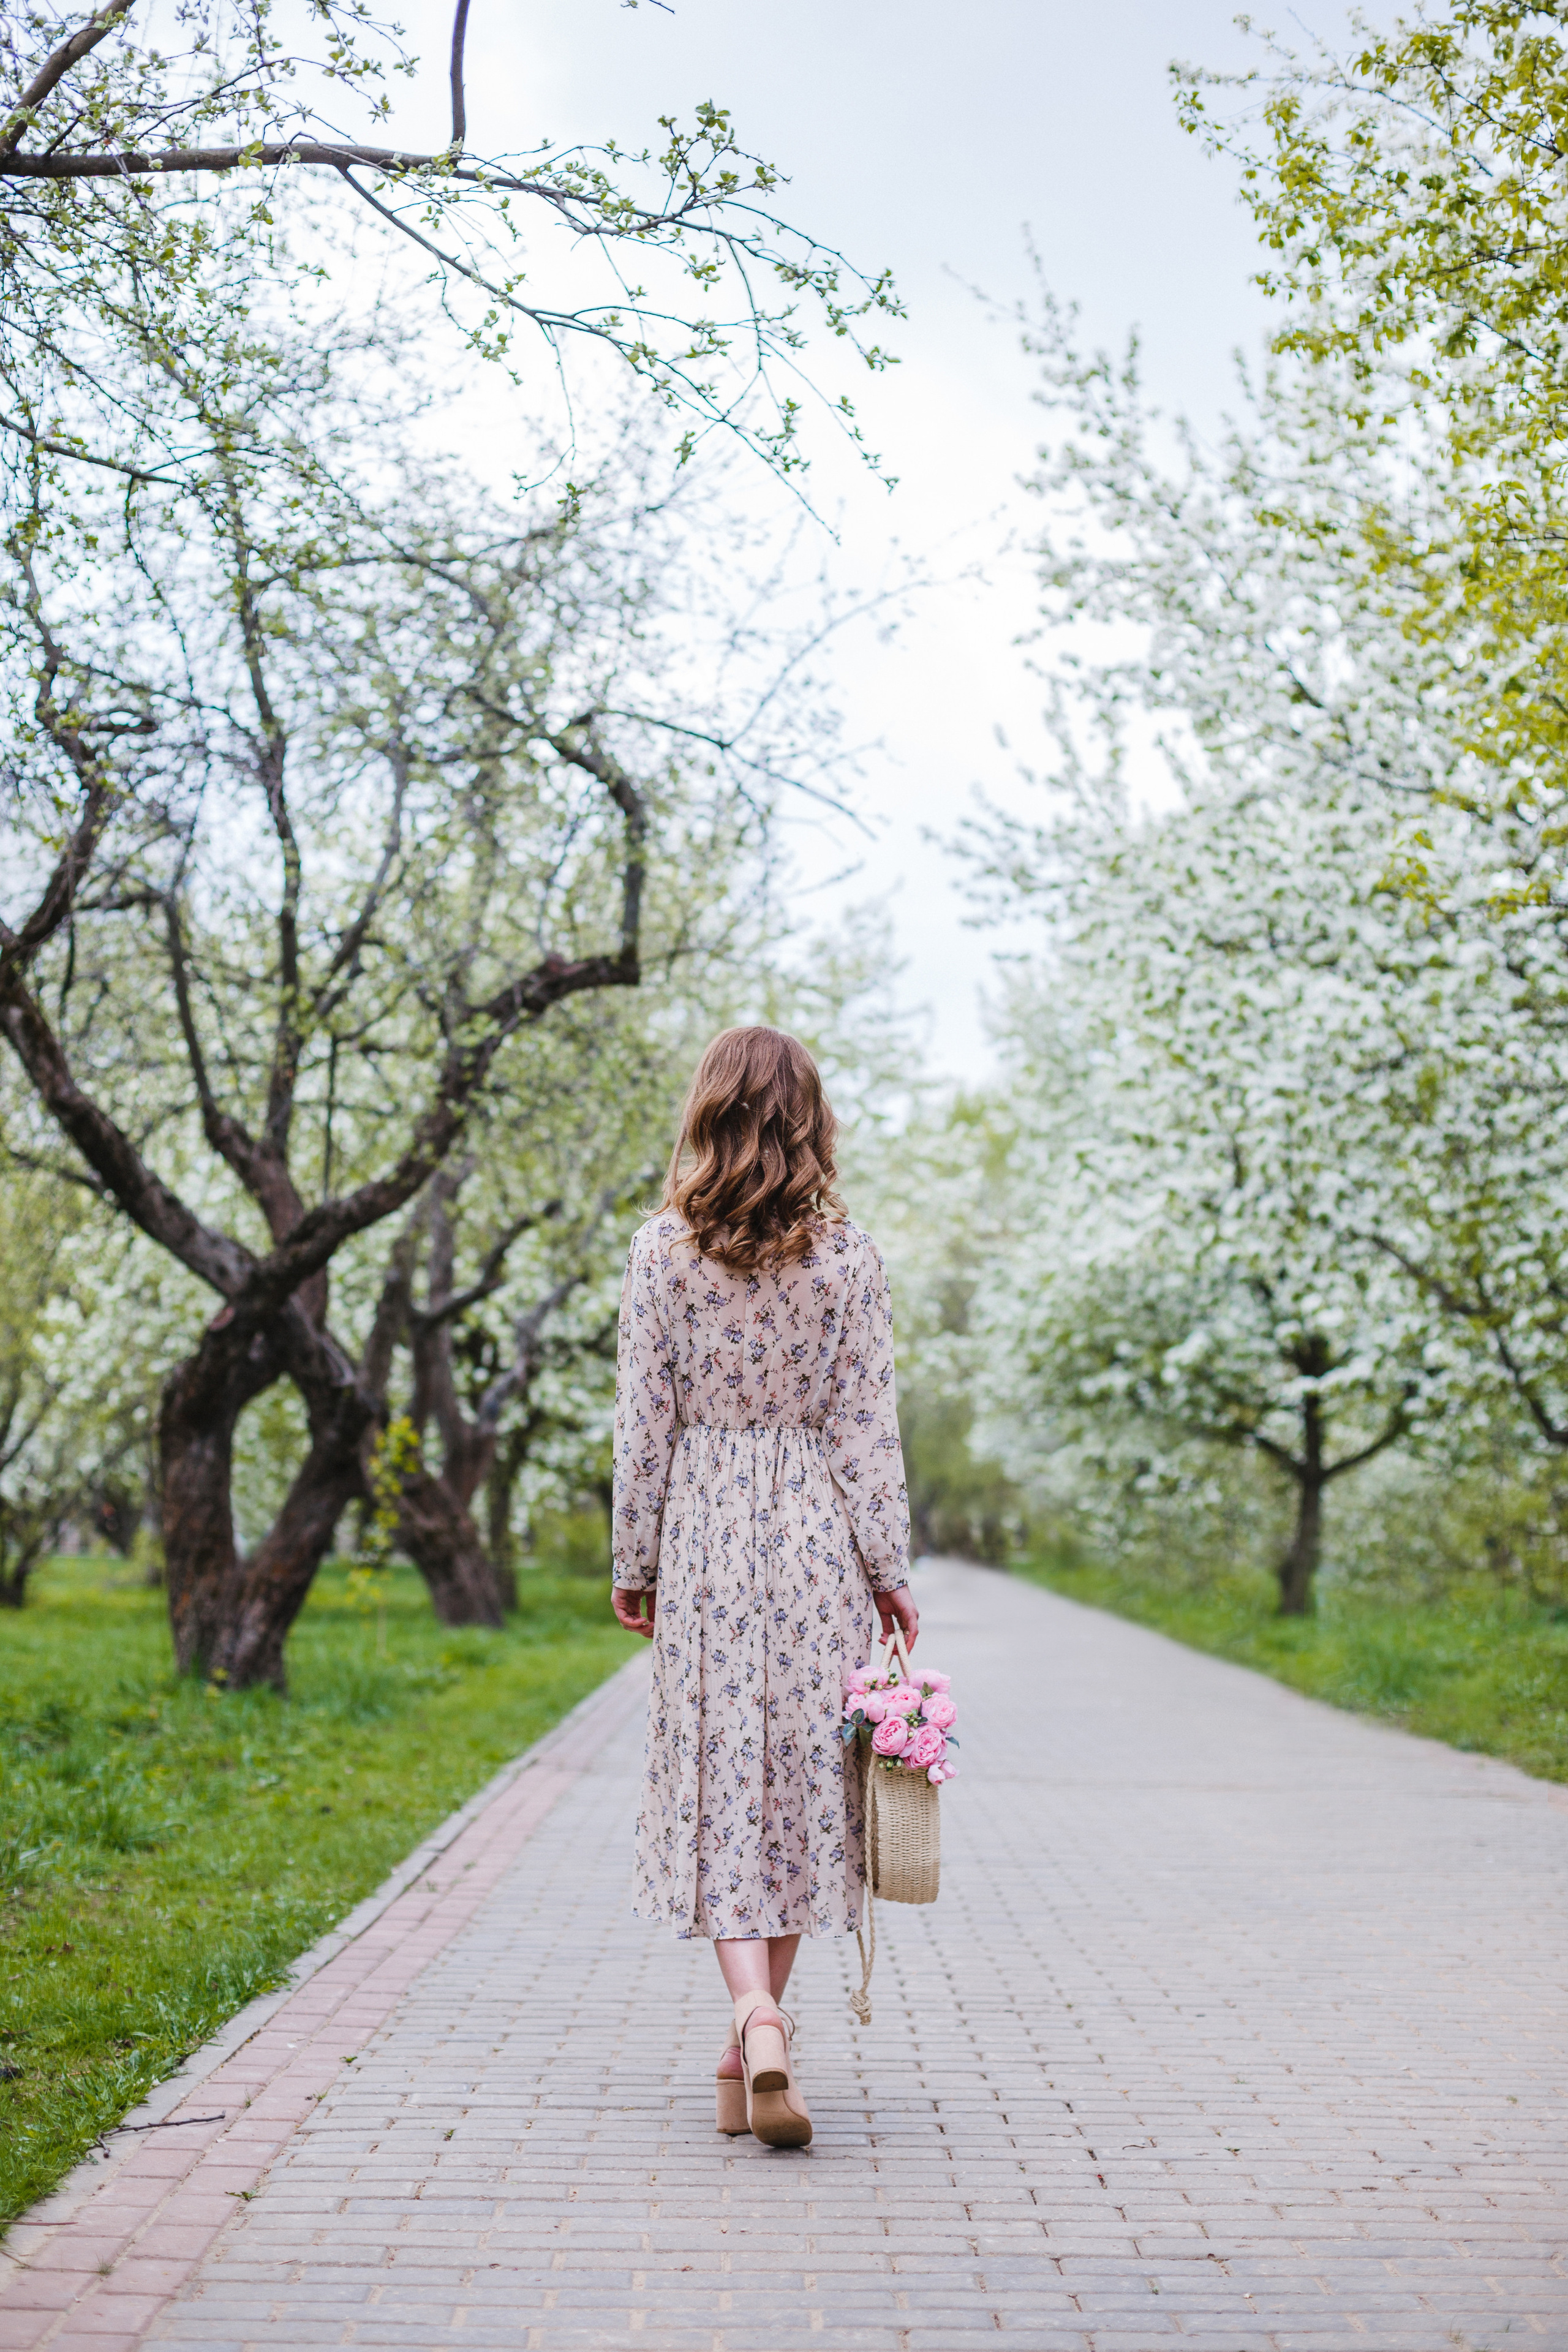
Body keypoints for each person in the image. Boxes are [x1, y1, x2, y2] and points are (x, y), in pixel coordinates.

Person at [611, 1025, 918, 2149]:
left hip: (703, 1530)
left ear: (710, 1110)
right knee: (796, 1778)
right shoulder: (849, 1257)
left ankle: (751, 2019)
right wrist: (887, 1569)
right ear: (809, 1120)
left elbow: (644, 1422)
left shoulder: (659, 1251)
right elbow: (864, 1425)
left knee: (720, 1774)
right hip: (814, 1536)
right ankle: (762, 2032)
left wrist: (632, 1560)